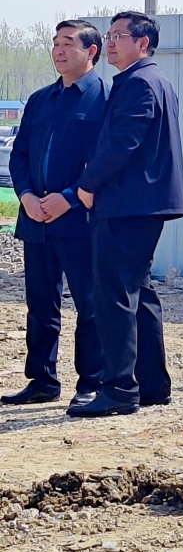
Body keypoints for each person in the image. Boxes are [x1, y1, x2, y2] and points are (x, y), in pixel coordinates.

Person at [67, 11, 183, 418]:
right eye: (110, 35)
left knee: (114, 295)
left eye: (119, 36)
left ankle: (119, 388)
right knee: (139, 292)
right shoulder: (151, 80)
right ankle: (151, 384)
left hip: (126, 204)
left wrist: (87, 185)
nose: (111, 42)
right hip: (141, 204)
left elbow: (123, 142)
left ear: (143, 43)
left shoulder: (139, 83)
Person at [2, 20, 108, 408]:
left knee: (90, 304)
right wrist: (27, 196)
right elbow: (20, 155)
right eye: (55, 43)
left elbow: (103, 162)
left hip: (78, 220)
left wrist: (68, 198)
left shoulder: (104, 99)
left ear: (91, 52)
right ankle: (42, 380)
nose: (59, 51)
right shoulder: (40, 100)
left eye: (68, 44)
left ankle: (91, 382)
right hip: (36, 219)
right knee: (41, 303)